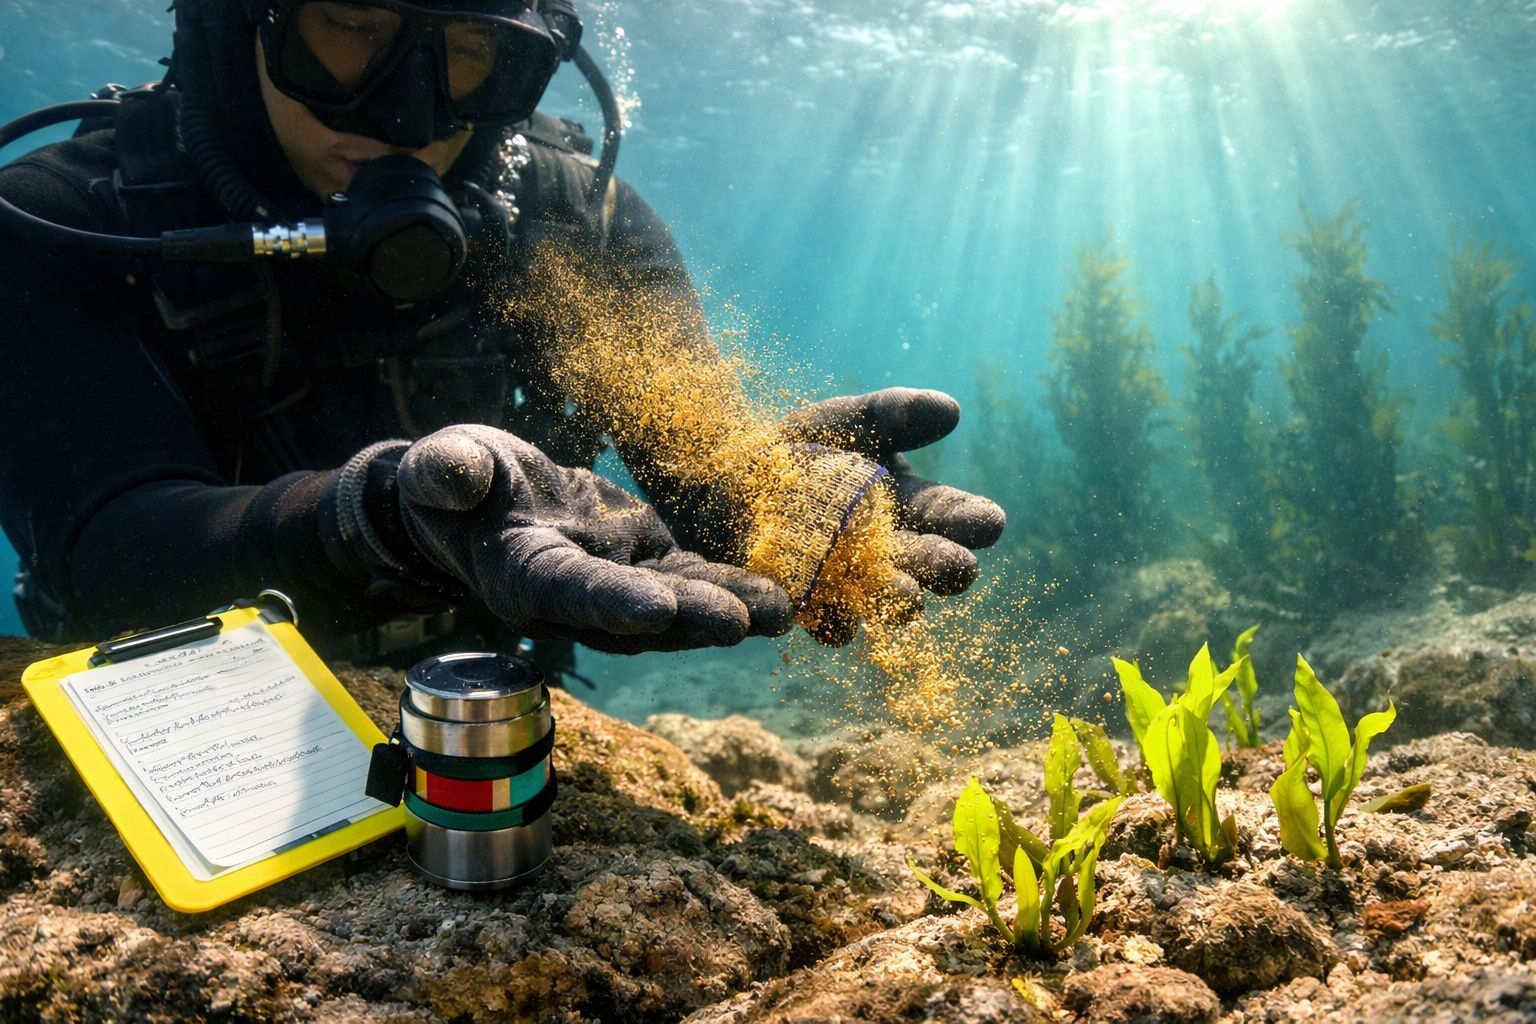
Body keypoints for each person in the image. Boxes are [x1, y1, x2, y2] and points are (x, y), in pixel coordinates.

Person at [0, 0, 1004, 673]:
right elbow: (105, 549)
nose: (405, 113)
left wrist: (766, 491)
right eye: (349, 27)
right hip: (176, 733)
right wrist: (381, 514)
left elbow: (694, 462)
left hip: (492, 736)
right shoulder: (63, 223)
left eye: (470, 56)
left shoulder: (579, 223)